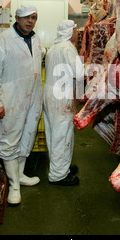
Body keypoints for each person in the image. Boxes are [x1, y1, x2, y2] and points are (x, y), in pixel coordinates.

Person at [0, 5, 44, 205]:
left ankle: (20, 175)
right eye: (26, 17)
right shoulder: (3, 40)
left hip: (33, 96)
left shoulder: (35, 39)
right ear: (17, 18)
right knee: (9, 140)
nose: (30, 21)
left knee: (27, 137)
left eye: (34, 17)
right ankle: (14, 186)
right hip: (11, 99)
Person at [43, 20, 84, 186]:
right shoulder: (67, 48)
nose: (77, 33)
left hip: (51, 93)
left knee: (53, 133)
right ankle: (58, 175)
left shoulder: (54, 48)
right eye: (75, 30)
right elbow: (78, 73)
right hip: (62, 95)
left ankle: (60, 166)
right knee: (62, 134)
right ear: (70, 32)